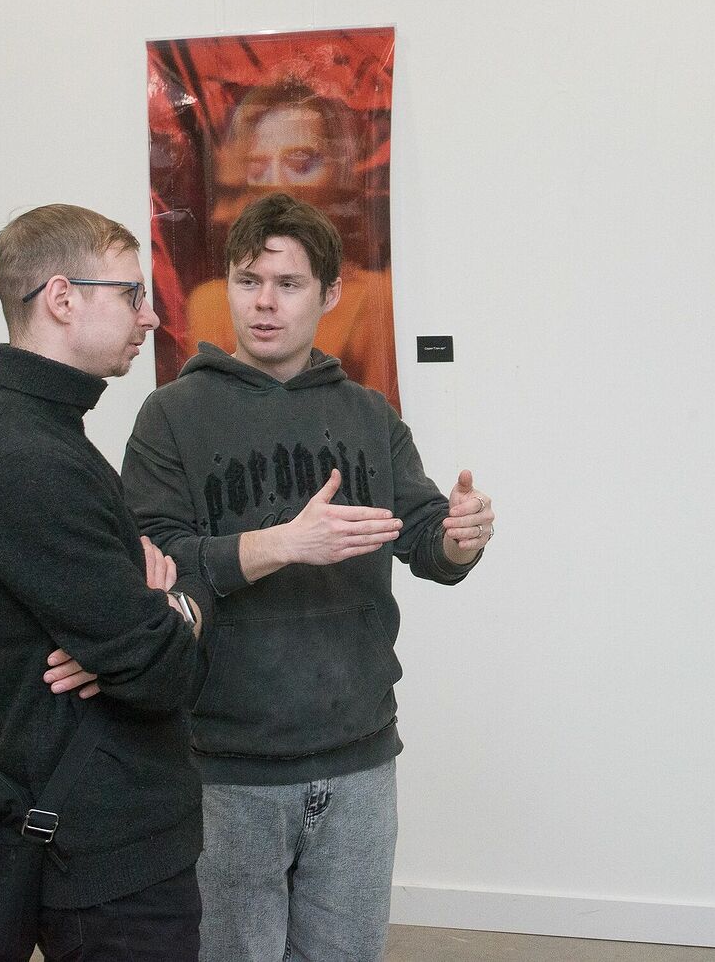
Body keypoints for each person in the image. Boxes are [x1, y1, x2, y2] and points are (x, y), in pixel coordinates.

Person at [122, 192, 494, 962]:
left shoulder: (369, 415)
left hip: (360, 756)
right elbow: (154, 565)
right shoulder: (171, 416)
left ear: (329, 295)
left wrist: (461, 537)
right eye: (248, 280)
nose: (264, 302)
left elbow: (426, 540)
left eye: (288, 284)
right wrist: (282, 544)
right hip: (226, 765)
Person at [0, 204, 209, 959]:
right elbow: (163, 671)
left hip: (106, 837)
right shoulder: (26, 459)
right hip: (101, 857)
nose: (150, 316)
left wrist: (146, 621)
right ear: (62, 298)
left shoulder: (41, 436)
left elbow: (138, 649)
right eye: (131, 293)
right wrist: (173, 611)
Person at [179, 78, 399, 404]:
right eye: (258, 166)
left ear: (340, 170)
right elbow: (202, 412)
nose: (276, 182)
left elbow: (375, 419)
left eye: (300, 163)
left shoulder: (375, 298)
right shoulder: (209, 303)